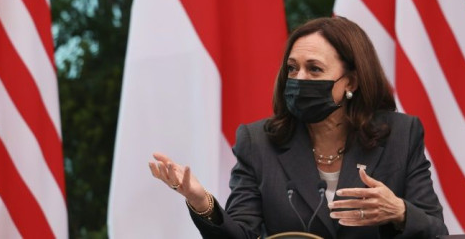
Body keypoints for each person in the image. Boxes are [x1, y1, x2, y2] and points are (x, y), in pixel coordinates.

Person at [149, 17, 448, 238]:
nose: (299, 78)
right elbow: (242, 234)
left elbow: (437, 231)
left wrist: (399, 212)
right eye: (293, 68)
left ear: (351, 82)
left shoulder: (400, 135)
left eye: (314, 69)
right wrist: (202, 203)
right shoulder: (257, 142)